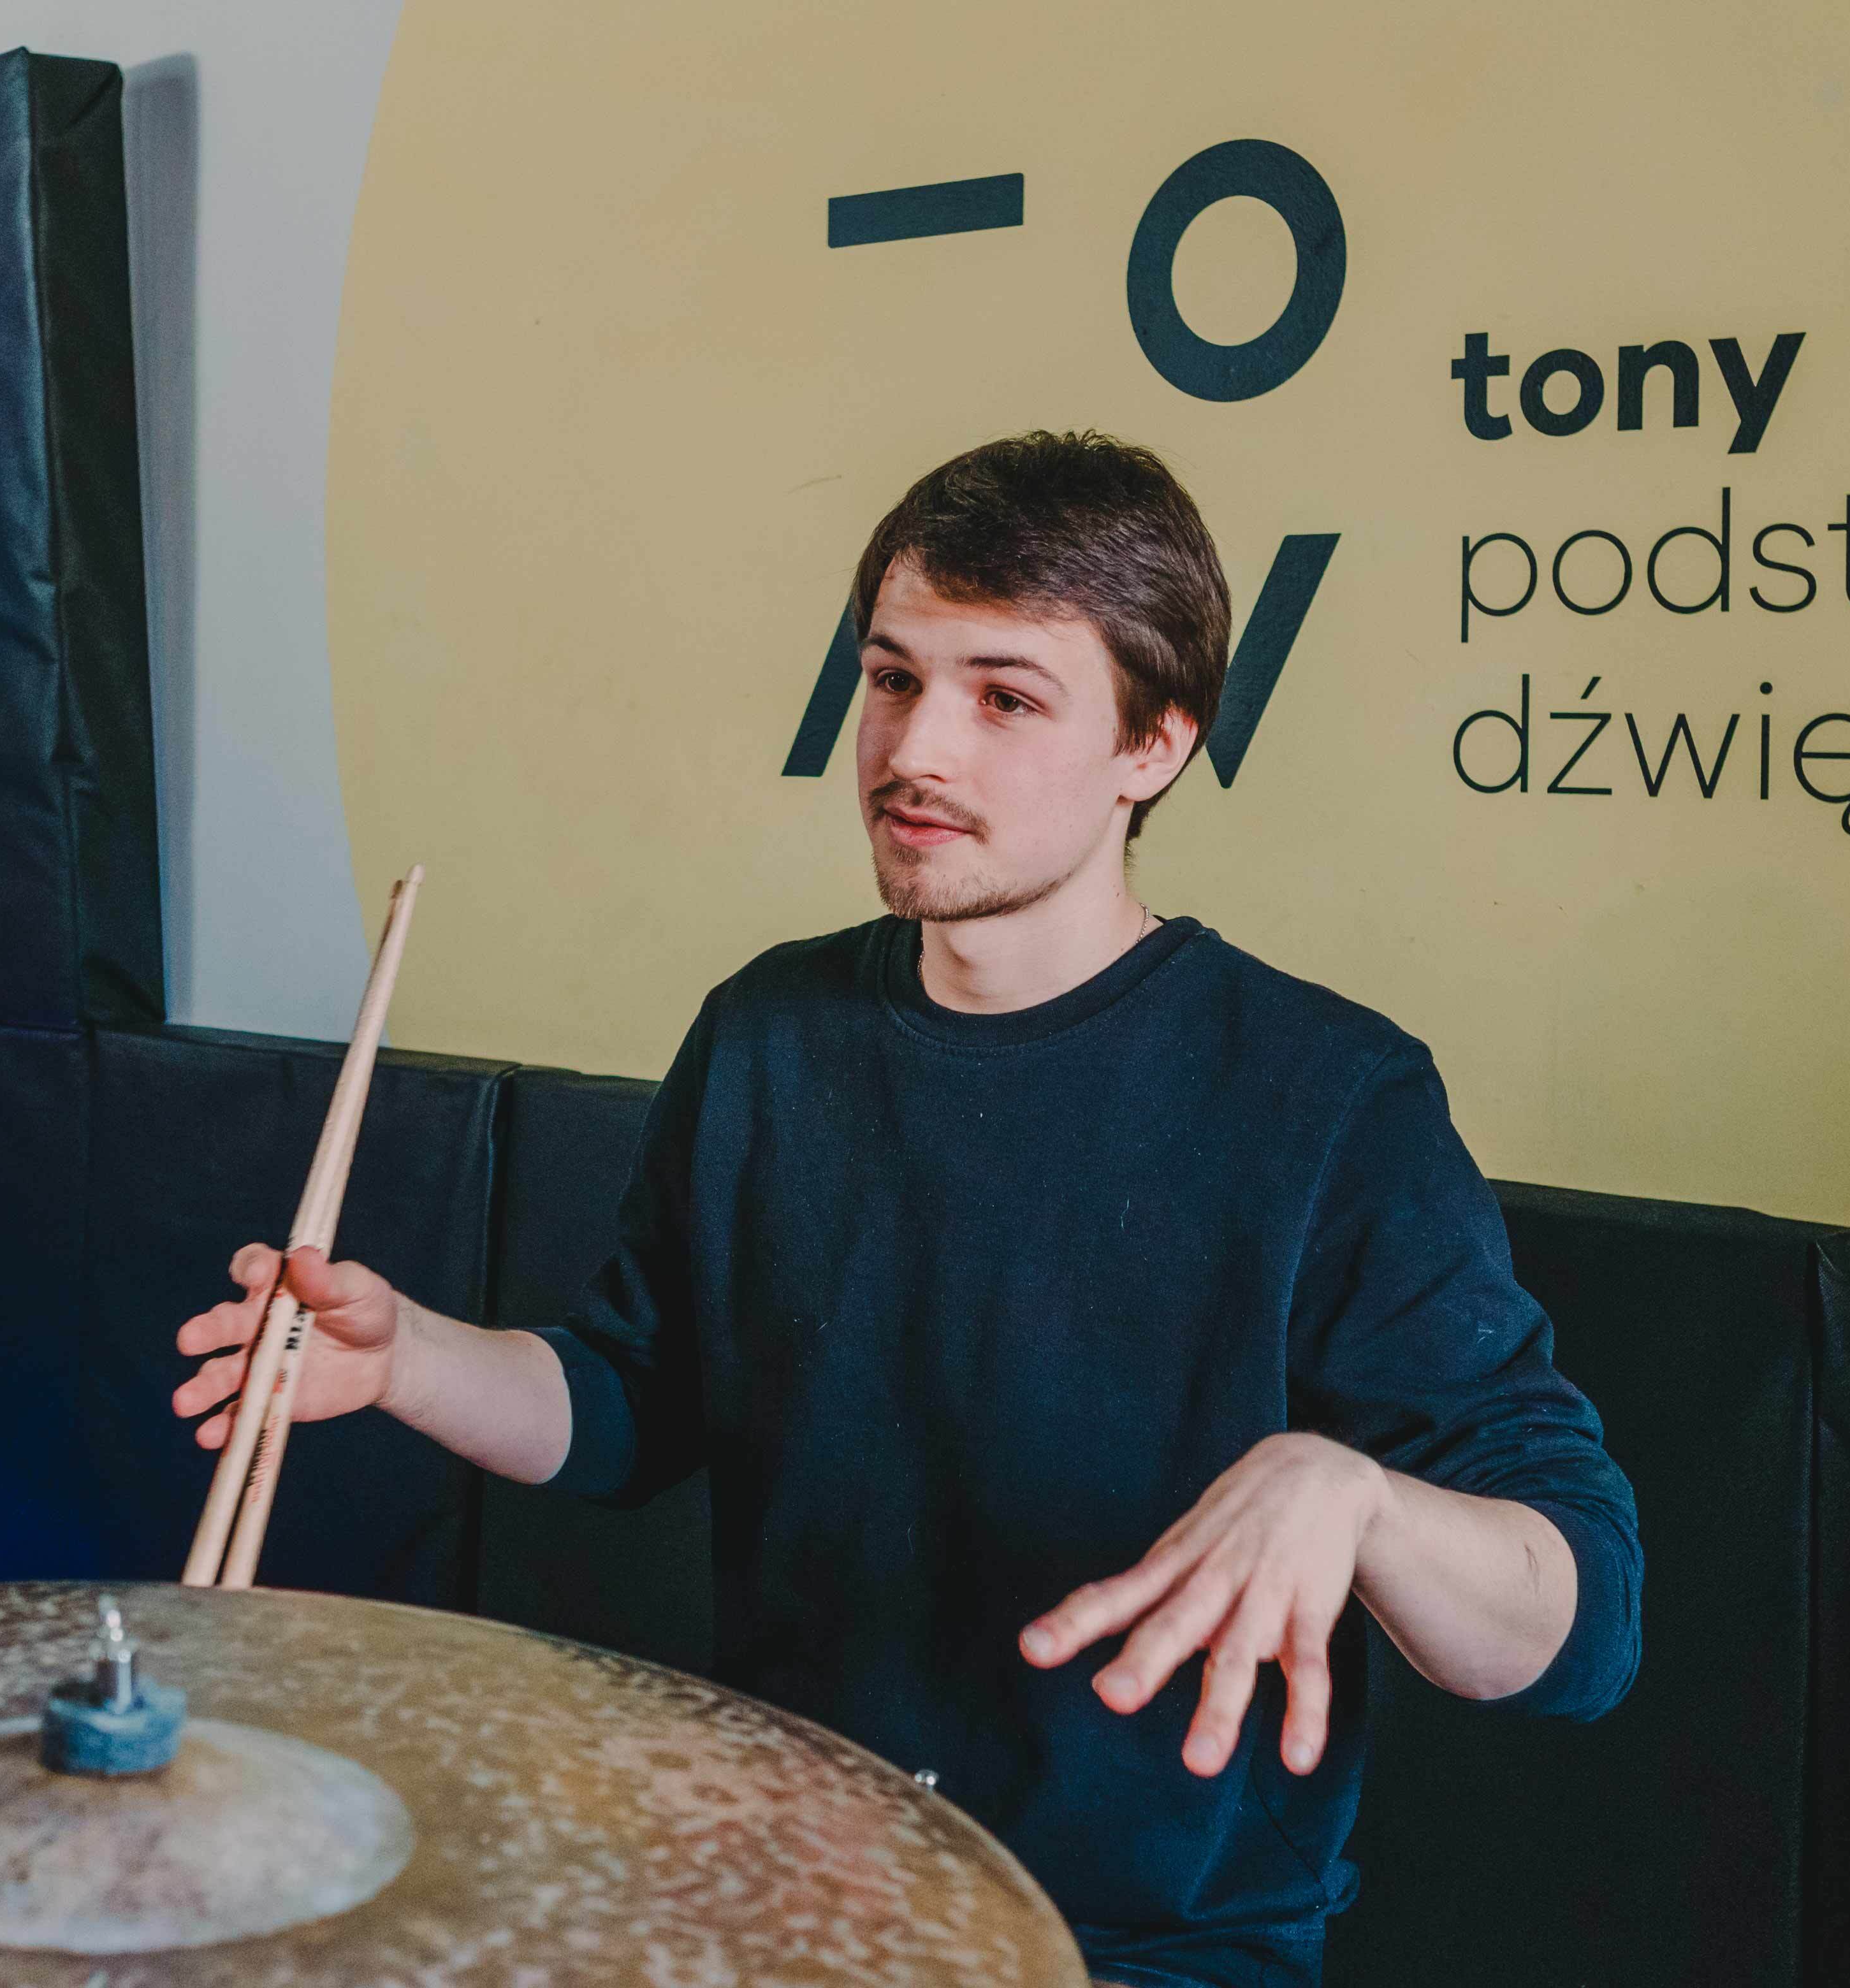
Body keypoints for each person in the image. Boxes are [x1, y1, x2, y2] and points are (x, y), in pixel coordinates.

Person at [173, 432, 1640, 1987]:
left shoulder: (1329, 1097)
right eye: (892, 677)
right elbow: (626, 1405)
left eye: (1006, 698)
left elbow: (1580, 1627)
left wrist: (1359, 1501)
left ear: (1155, 746)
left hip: (1137, 1953)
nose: (915, 748)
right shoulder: (769, 1033)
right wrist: (406, 1358)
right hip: (792, 1895)